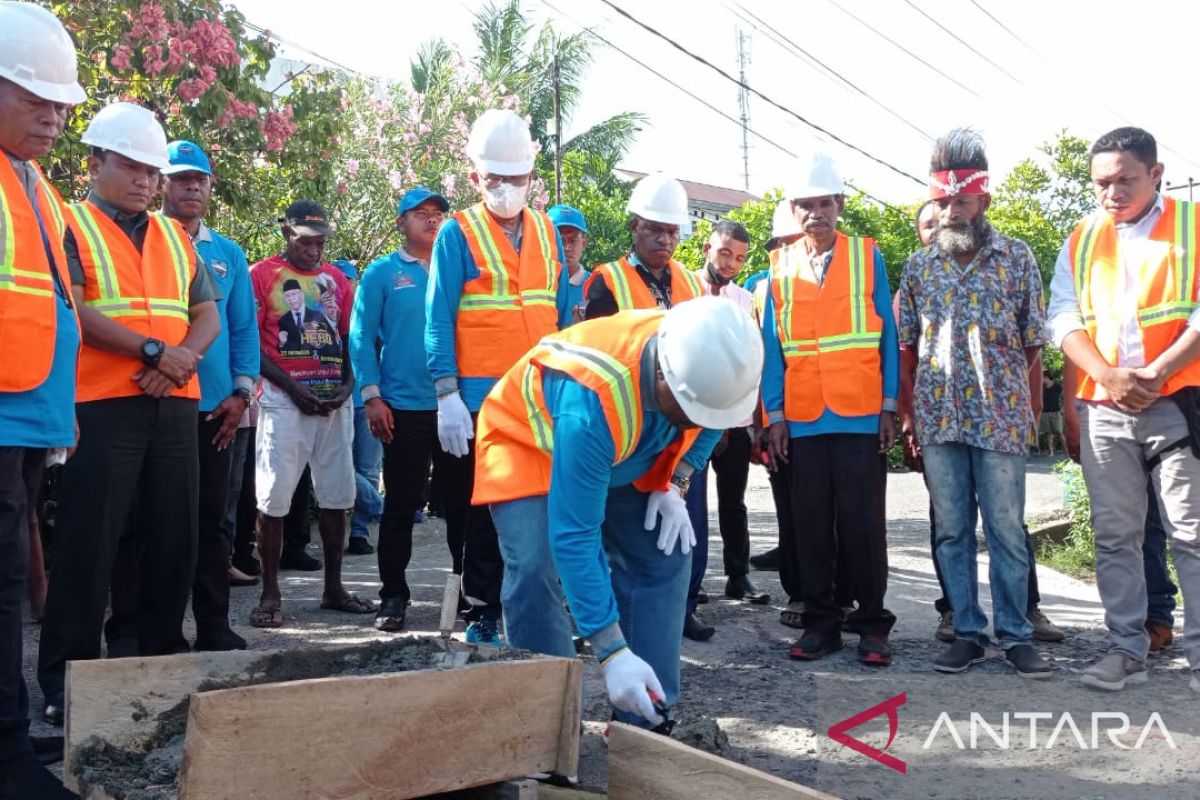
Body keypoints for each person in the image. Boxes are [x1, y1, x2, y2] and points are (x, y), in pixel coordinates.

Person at [475, 297, 762, 727]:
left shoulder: (710, 359)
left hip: (623, 448)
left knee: (665, 553)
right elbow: (576, 534)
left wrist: (678, 481)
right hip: (529, 442)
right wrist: (611, 651)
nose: (691, 421)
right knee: (536, 567)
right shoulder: (593, 400)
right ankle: (547, 728)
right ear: (663, 373)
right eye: (686, 411)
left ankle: (646, 717)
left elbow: (714, 418)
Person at [38, 102, 222, 722]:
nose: (146, 180)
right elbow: (75, 309)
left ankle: (161, 661)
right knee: (89, 543)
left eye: (153, 171)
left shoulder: (175, 235)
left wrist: (181, 361)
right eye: (131, 166)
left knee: (174, 537)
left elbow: (207, 314)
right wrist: (151, 350)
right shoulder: (71, 224)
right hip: (103, 402)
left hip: (173, 402)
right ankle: (69, 681)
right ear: (95, 163)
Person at [1048, 127, 1200, 693]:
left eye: (1124, 180)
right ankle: (1124, 649)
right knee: (1116, 534)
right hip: (1104, 404)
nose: (1112, 193)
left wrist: (1156, 373)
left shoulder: (1193, 225)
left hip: (1179, 400)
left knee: (1191, 531)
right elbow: (1063, 318)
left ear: (1155, 174)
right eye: (1101, 183)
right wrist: (1108, 375)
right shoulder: (1083, 236)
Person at [898, 129, 1053, 678]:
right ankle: (967, 630)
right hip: (940, 420)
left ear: (983, 199)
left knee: (1007, 529)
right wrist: (912, 417)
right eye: (942, 202)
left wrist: (1022, 407)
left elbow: (1034, 339)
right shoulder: (919, 268)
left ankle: (1015, 634)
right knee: (951, 530)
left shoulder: (1017, 257)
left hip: (1001, 418)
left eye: (959, 201)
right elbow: (908, 347)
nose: (949, 211)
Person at [425, 109, 571, 645]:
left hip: (540, 395)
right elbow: (437, 317)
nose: (506, 188)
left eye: (515, 178)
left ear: (531, 175)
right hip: (480, 401)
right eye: (495, 179)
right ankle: (482, 609)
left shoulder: (547, 232)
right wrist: (446, 393)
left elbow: (559, 312)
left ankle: (539, 604)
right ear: (474, 178)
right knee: (483, 509)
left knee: (543, 505)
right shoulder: (456, 234)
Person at [762, 152, 898, 667]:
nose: (816, 213)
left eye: (824, 203)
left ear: (839, 205)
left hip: (861, 412)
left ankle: (872, 624)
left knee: (864, 524)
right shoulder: (778, 267)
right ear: (794, 212)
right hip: (802, 417)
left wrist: (888, 405)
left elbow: (887, 333)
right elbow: (772, 348)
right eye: (806, 205)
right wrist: (774, 416)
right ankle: (822, 622)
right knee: (811, 523)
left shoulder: (868, 256)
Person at [0, 4, 85, 796]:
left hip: (27, 411)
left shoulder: (38, 186)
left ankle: (12, 735)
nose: (54, 117)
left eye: (62, 104)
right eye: (37, 99)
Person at [249, 199, 374, 628]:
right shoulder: (262, 276)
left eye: (321, 241)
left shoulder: (336, 280)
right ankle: (269, 593)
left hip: (332, 404)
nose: (314, 248)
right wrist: (292, 388)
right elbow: (249, 343)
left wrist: (347, 386)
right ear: (287, 233)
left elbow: (353, 340)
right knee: (274, 497)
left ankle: (334, 587)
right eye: (306, 239)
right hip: (283, 402)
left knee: (338, 495)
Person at [159, 139, 259, 651]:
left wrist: (242, 393)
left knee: (214, 520)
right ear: (163, 183)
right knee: (159, 522)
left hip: (218, 408)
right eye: (181, 178)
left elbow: (242, 328)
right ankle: (160, 630)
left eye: (199, 178)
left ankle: (214, 623)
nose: (191, 186)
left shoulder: (228, 254)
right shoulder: (148, 240)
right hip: (159, 402)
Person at [353, 186, 461, 632]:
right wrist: (371, 396)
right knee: (400, 506)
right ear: (401, 222)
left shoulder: (459, 268)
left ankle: (468, 596)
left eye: (438, 213)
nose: (432, 220)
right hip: (402, 407)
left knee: (461, 506)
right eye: (420, 213)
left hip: (454, 405)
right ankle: (393, 597)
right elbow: (360, 337)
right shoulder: (382, 273)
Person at [685, 221, 768, 640]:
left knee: (733, 503)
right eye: (724, 254)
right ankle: (690, 585)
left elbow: (751, 361)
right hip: (694, 421)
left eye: (738, 257)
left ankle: (739, 575)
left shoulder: (745, 300)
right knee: (690, 505)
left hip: (735, 420)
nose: (731, 264)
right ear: (707, 247)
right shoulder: (685, 291)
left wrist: (754, 422)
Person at [584, 173, 703, 319]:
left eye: (672, 231)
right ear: (634, 227)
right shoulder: (608, 282)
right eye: (655, 229)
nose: (665, 240)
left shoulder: (694, 284)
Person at [333, 258, 381, 556]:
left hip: (371, 399)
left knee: (368, 467)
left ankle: (360, 533)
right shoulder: (324, 314)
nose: (344, 285)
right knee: (341, 466)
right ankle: (380, 506)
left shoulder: (368, 310)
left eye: (348, 279)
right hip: (337, 400)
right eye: (339, 279)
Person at [547, 204, 590, 324]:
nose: (566, 248)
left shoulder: (595, 286)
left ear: (584, 243)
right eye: (559, 240)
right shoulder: (538, 286)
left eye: (572, 241)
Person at [1039, 370, 1064, 456]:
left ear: (1046, 377)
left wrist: (1063, 408)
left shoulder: (1057, 387)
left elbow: (1064, 397)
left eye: (1042, 377)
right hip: (1045, 412)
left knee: (1059, 432)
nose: (1041, 379)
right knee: (1048, 433)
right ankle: (1051, 452)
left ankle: (1067, 452)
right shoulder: (1042, 388)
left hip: (1055, 412)